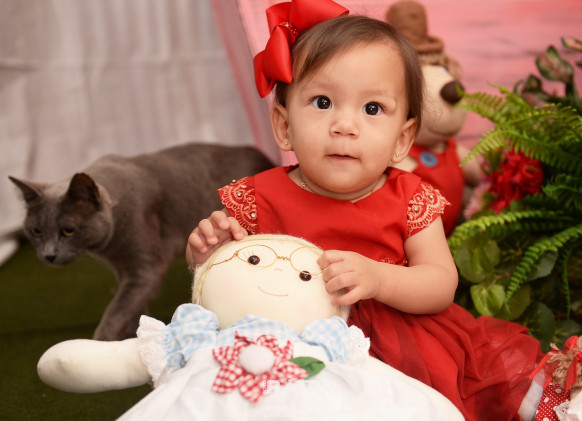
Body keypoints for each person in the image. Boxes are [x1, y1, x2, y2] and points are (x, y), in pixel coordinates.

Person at [186, 2, 543, 420]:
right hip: (285, 339)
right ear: (284, 126)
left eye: (372, 109)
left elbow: (440, 284)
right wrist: (208, 252)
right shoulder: (257, 197)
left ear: (402, 139)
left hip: (399, 348)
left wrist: (379, 278)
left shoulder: (409, 196)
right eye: (322, 102)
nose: (345, 126)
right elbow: (226, 279)